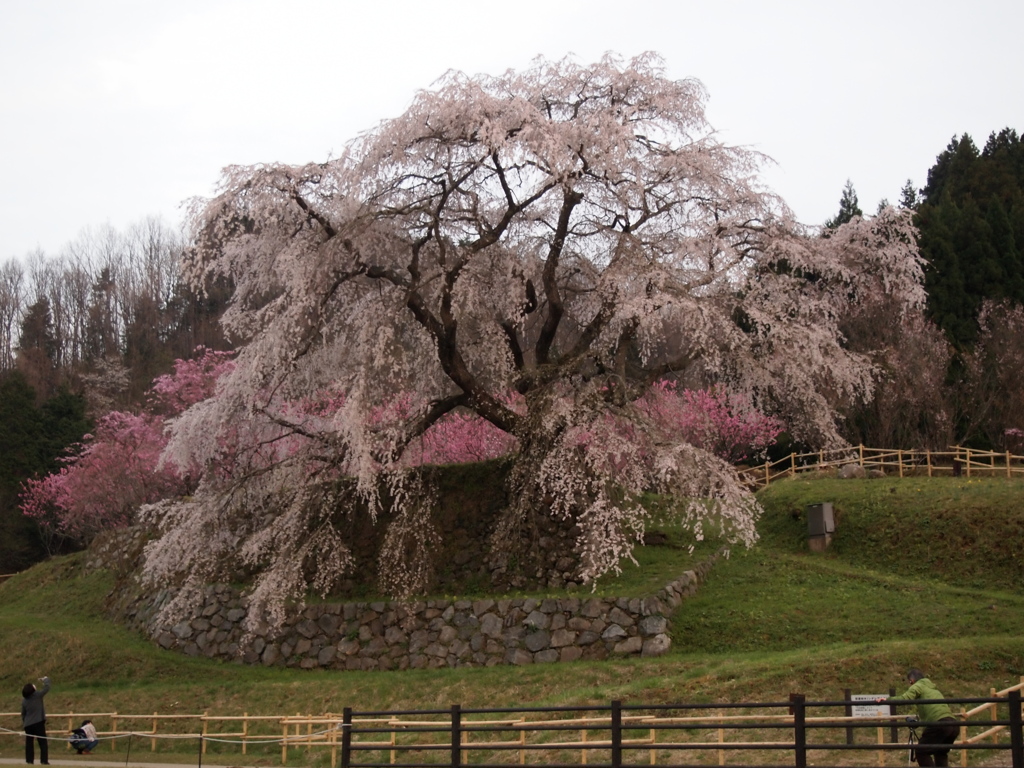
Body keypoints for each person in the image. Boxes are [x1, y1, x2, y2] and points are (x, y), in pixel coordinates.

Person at [880, 669, 959, 767]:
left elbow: (904, 699)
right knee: (940, 753)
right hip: (953, 725)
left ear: (911, 681)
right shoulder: (933, 689)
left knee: (921, 752)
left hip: (939, 724)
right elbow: (932, 710)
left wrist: (887, 700)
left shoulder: (917, 686)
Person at [21, 676, 51, 765]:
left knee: (29, 743)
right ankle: (44, 761)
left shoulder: (24, 701)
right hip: (38, 723)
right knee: (42, 742)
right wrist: (45, 679)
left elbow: (23, 714)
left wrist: (25, 722)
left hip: (28, 724)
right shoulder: (37, 696)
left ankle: (29, 760)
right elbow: (47, 687)